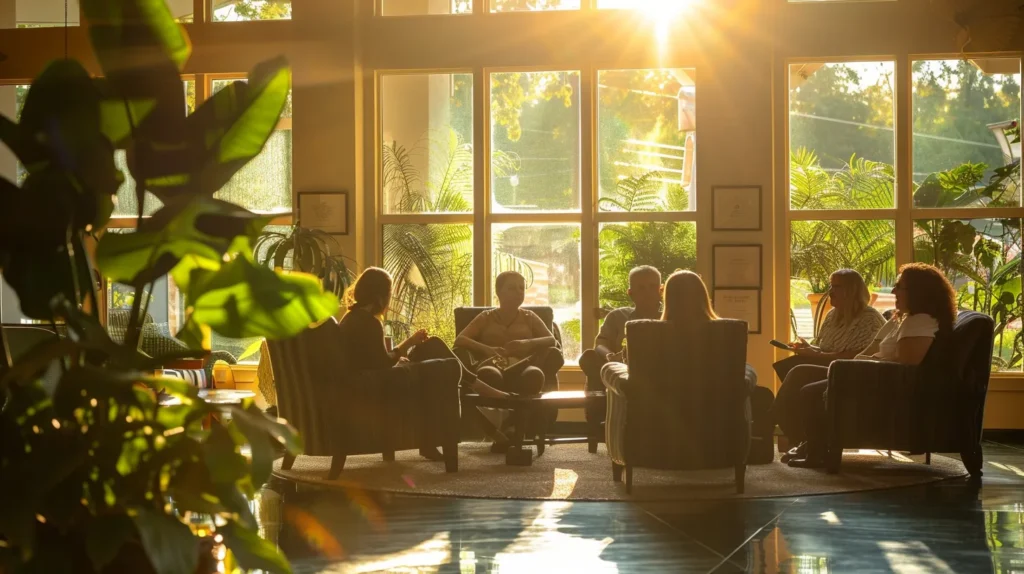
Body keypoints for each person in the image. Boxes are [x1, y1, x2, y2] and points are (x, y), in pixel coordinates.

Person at [786, 263, 957, 468]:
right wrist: (852, 365)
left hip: (880, 381)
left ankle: (814, 450)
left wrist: (856, 367)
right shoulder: (900, 319)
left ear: (918, 292)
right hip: (863, 372)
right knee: (800, 371)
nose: (893, 291)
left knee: (809, 391)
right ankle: (805, 442)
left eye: (899, 287)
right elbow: (869, 349)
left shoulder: (920, 321)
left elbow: (907, 366)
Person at [773, 269, 886, 461]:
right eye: (830, 286)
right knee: (788, 365)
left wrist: (817, 354)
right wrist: (809, 348)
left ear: (852, 290)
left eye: (837, 287)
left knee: (798, 370)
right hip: (828, 366)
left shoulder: (870, 318)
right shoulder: (833, 315)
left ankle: (779, 421)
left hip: (848, 372)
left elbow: (857, 356)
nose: (830, 292)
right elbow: (823, 346)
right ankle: (800, 434)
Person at [454, 270, 564, 396]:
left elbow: (551, 340)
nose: (518, 292)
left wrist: (527, 343)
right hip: (492, 364)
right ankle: (497, 414)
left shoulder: (529, 316)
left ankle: (523, 414)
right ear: (499, 292)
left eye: (521, 288)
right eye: (512, 288)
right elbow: (460, 339)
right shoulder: (486, 317)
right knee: (488, 374)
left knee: (535, 374)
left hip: (523, 366)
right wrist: (488, 349)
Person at [579, 266, 663, 414]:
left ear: (661, 290)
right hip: (618, 370)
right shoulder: (617, 316)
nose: (648, 292)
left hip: (654, 375)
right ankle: (599, 417)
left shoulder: (668, 318)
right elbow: (599, 344)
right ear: (631, 293)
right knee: (589, 357)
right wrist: (610, 356)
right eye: (641, 288)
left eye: (652, 287)